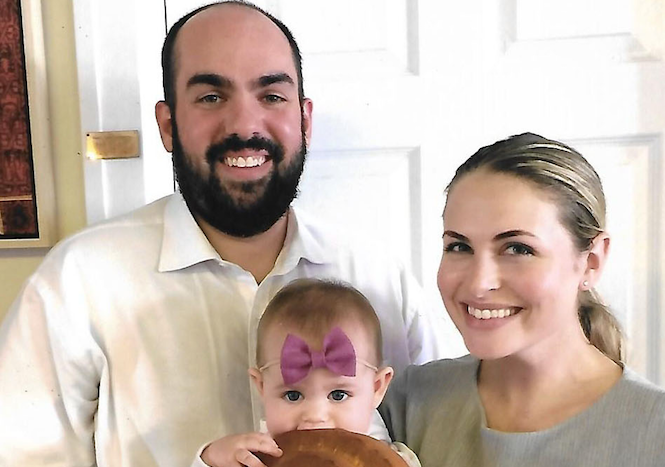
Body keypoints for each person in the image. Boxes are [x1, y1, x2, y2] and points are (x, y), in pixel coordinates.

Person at [0, 3, 455, 466]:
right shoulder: (77, 282)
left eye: (272, 96)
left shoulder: (380, 277)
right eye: (211, 97)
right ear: (168, 125)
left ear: (305, 120)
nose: (244, 125)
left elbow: (438, 435)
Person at [380, 133, 665, 467]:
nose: (478, 283)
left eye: (518, 248)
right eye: (459, 246)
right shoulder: (404, 403)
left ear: (591, 261)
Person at [201, 278, 420, 467]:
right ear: (262, 387)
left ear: (377, 388)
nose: (315, 417)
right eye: (293, 396)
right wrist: (210, 457)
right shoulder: (254, 457)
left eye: (338, 395)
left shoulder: (395, 460)